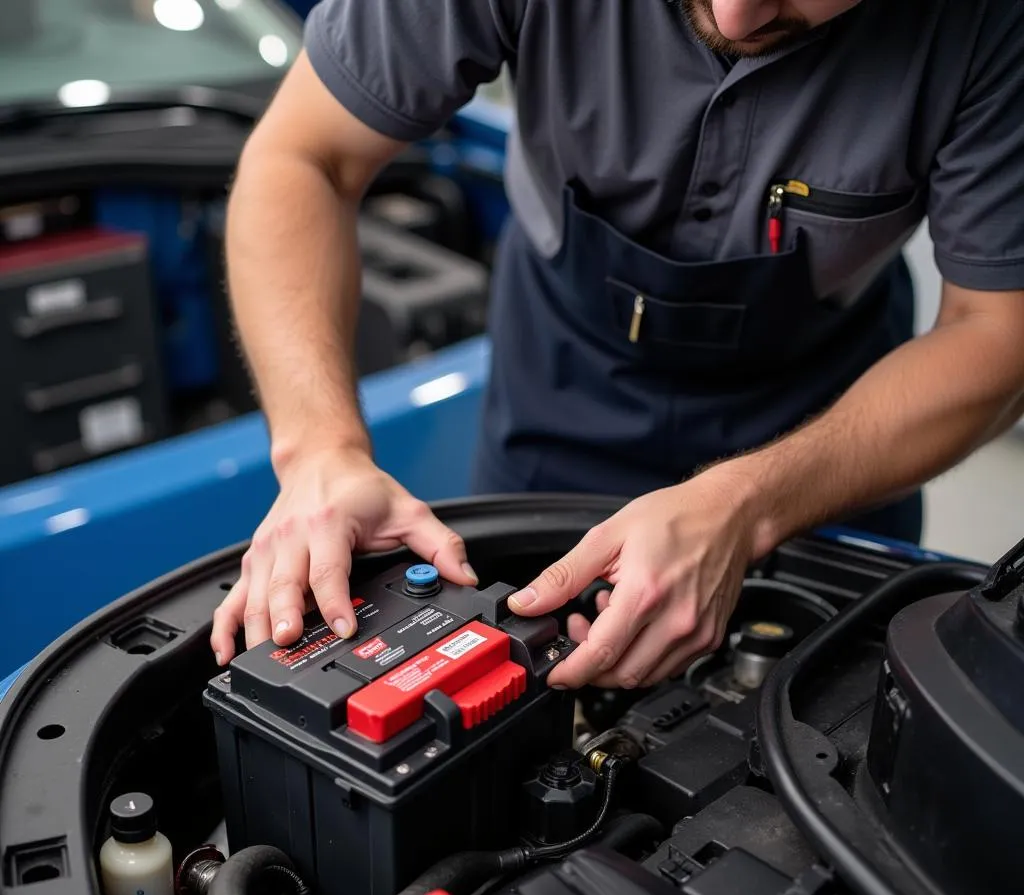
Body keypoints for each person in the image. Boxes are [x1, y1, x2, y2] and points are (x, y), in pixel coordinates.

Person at [210, 0, 1024, 692]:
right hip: (561, 386)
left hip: (832, 431)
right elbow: (303, 158)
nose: (738, 14)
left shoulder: (994, 27)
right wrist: (321, 451)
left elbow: (995, 332)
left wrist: (747, 505)